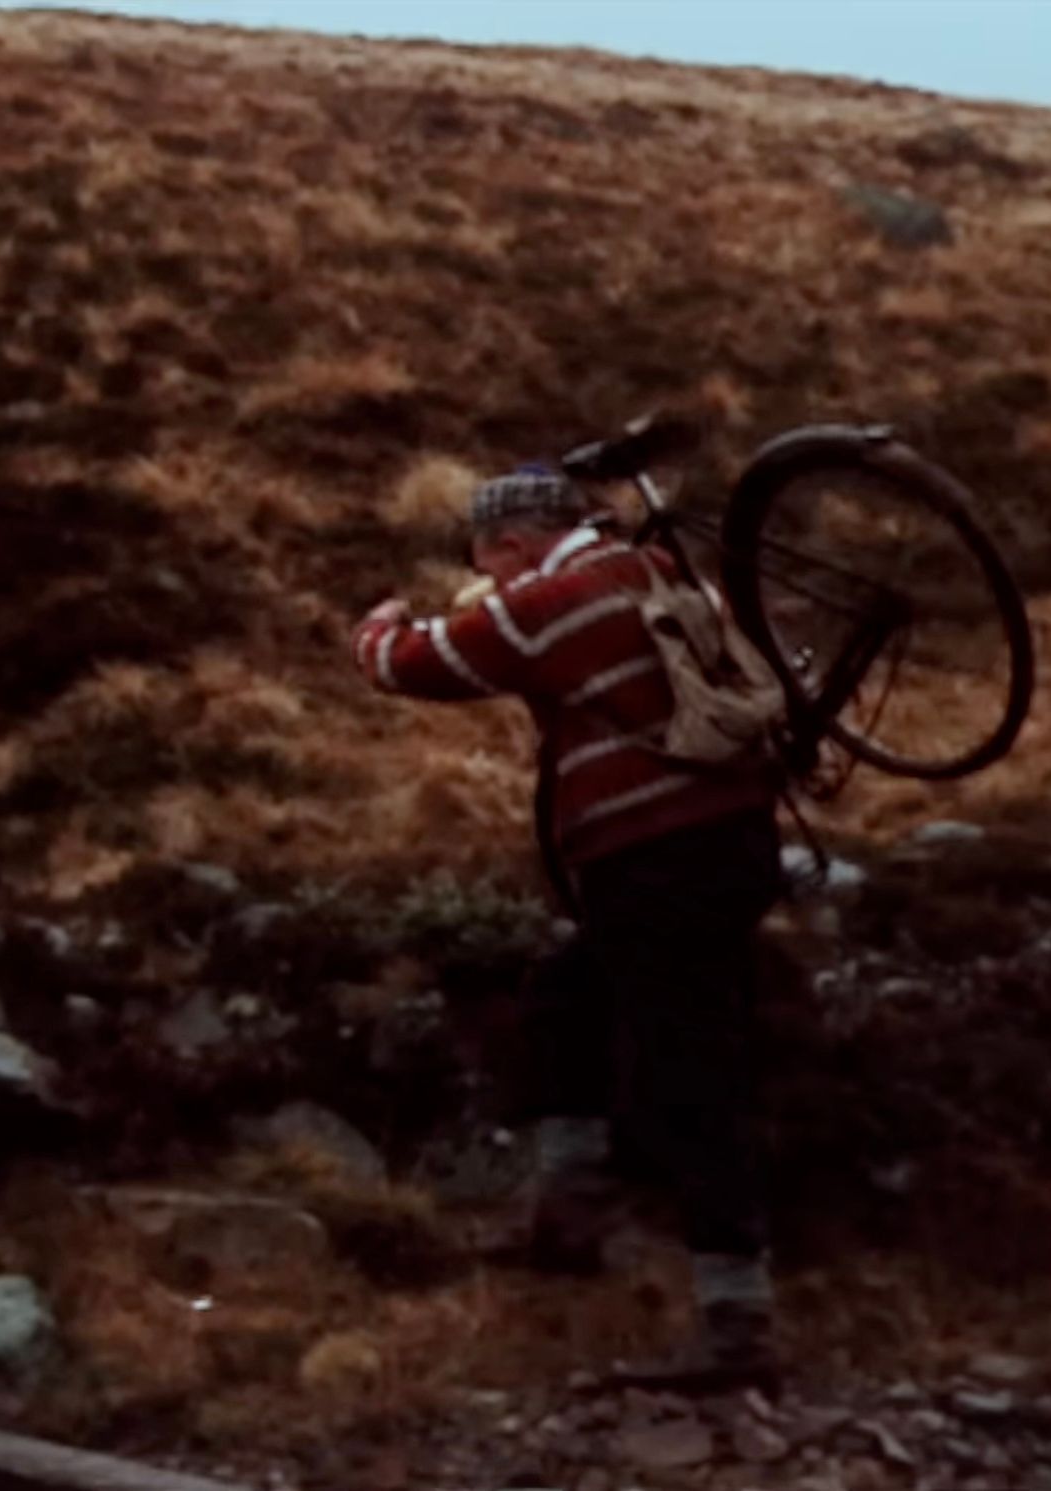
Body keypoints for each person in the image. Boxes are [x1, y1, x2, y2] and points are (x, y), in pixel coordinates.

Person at [351, 464, 787, 1389]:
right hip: (728, 843)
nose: (494, 578)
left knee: (688, 1077)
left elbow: (425, 662)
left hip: (656, 856)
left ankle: (736, 1322)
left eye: (492, 561)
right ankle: (569, 1220)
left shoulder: (556, 599)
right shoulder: (661, 570)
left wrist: (378, 627)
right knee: (564, 999)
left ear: (516, 544)